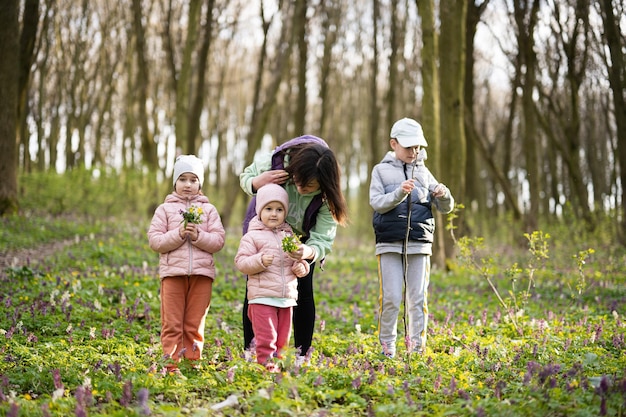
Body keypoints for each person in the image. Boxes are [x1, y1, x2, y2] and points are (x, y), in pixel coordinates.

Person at [240, 135, 349, 359]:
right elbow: (246, 176)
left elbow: (323, 238)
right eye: (298, 181)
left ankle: (301, 354)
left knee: (303, 291)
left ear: (323, 184)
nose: (300, 188)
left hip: (299, 244)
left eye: (309, 187)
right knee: (257, 290)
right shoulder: (276, 162)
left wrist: (308, 252)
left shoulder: (327, 199)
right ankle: (251, 350)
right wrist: (256, 183)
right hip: (263, 234)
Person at [369, 118, 454, 358]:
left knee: (417, 298)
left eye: (417, 147)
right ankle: (387, 349)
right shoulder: (380, 171)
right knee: (392, 298)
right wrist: (398, 193)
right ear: (393, 144)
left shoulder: (425, 172)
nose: (414, 152)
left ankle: (417, 349)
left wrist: (444, 194)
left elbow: (445, 207)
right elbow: (376, 203)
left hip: (420, 243)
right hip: (389, 244)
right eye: (408, 147)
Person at [148, 155, 225, 375]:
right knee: (172, 323)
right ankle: (170, 366)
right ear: (175, 183)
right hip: (173, 274)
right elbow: (155, 241)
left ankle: (192, 365)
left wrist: (199, 235)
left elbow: (218, 241)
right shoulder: (164, 210)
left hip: (202, 275)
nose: (188, 184)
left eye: (193, 179)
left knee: (194, 324)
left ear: (200, 184)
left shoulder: (209, 211)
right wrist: (179, 234)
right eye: (183, 179)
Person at [235, 184, 311, 371]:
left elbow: (298, 261)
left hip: (286, 298)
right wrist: (259, 260)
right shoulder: (252, 237)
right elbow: (241, 262)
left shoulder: (289, 236)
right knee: (266, 336)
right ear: (260, 211)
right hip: (262, 297)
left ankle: (279, 364)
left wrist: (301, 267)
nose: (274, 214)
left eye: (279, 209)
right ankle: (266, 365)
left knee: (283, 337)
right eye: (268, 209)